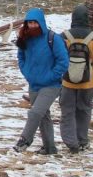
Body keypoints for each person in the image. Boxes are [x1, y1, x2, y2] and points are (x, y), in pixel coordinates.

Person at [14, 8, 69, 155]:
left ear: (41, 22)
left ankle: (25, 140)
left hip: (52, 84)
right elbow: (21, 57)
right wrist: (27, 73)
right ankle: (50, 148)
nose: (32, 26)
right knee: (43, 116)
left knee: (35, 113)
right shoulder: (24, 38)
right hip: (33, 84)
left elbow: (63, 61)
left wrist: (51, 76)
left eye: (35, 23)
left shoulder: (53, 38)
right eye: (30, 23)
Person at [59, 4, 93, 153]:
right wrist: (91, 71)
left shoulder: (64, 37)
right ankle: (82, 141)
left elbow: (58, 59)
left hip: (67, 82)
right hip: (88, 84)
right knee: (84, 110)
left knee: (67, 111)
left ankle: (70, 141)